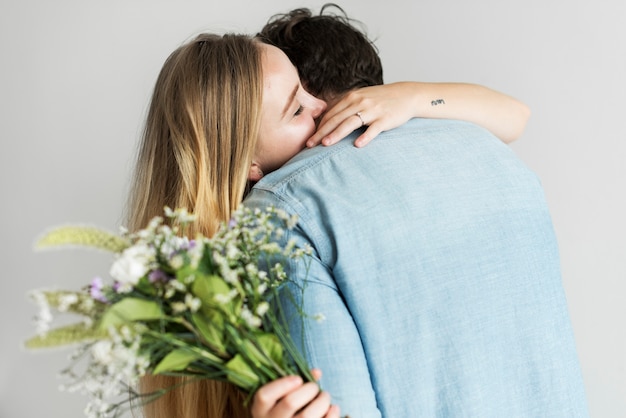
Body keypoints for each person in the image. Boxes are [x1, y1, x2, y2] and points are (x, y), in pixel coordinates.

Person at [126, 14, 539, 418]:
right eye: (296, 109)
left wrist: (408, 96)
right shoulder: (479, 150)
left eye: (309, 96)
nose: (322, 109)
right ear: (245, 161)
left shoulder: (284, 217)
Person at [244, 5, 590, 418]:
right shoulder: (490, 150)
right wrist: (414, 95)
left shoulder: (287, 204)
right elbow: (517, 116)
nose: (313, 108)